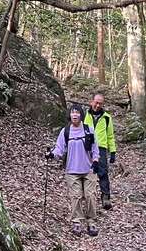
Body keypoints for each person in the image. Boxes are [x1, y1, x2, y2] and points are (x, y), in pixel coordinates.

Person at [46, 103, 100, 236]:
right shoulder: (65, 131)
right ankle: (77, 222)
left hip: (89, 169)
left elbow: (95, 148)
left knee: (90, 195)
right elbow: (59, 149)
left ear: (81, 115)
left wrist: (96, 161)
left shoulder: (88, 130)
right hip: (72, 170)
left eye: (77, 112)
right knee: (75, 196)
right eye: (72, 112)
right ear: (69, 115)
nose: (75, 115)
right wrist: (51, 154)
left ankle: (91, 222)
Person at [82, 93, 117, 210]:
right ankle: (85, 197)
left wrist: (112, 152)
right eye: (96, 102)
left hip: (101, 147)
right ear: (92, 102)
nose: (97, 105)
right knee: (85, 171)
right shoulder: (84, 115)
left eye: (100, 103)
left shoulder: (107, 117)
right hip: (87, 146)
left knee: (103, 172)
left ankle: (105, 197)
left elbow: (110, 136)